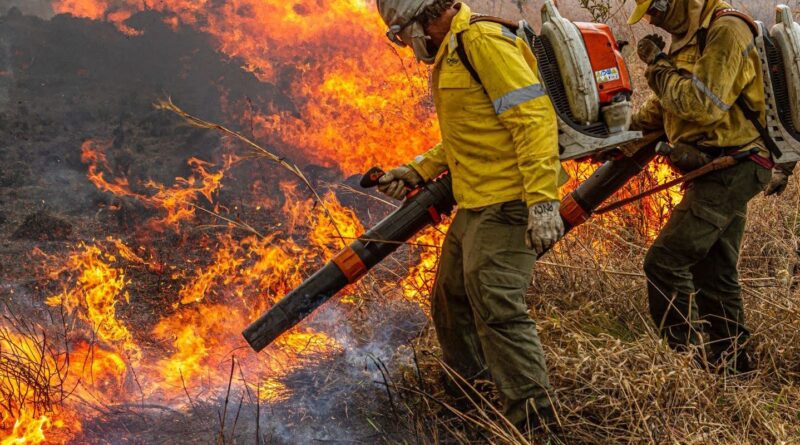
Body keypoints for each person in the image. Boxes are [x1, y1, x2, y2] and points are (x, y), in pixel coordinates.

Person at [375, 0, 563, 432]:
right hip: (476, 200)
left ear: (422, 19)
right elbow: (470, 133)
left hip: (509, 200)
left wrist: (542, 202)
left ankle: (535, 427)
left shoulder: (481, 41)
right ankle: (470, 405)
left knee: (496, 305)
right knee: (450, 299)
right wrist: (417, 169)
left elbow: (533, 120)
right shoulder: (453, 50)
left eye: (403, 35)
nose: (407, 47)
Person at [629, 0, 775, 373]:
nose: (651, 20)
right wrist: (620, 125)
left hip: (734, 167)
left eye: (653, 12)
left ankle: (686, 368)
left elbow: (702, 104)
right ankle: (734, 369)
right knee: (715, 272)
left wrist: (657, 67)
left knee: (664, 262)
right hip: (718, 166)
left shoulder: (725, 29)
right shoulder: (690, 34)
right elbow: (668, 107)